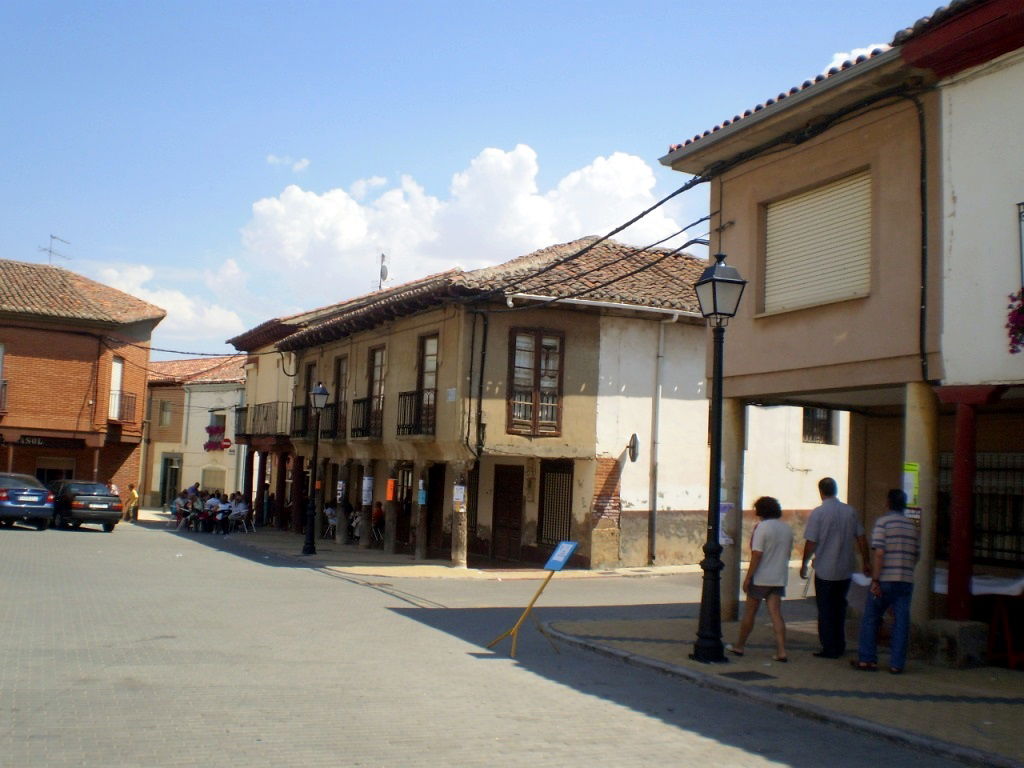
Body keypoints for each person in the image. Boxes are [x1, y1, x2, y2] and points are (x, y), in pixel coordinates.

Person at [800, 477, 871, 658]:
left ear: (821, 492)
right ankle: (840, 644)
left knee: (825, 610)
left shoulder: (818, 513)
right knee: (840, 608)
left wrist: (804, 563)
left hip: (825, 569)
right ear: (836, 490)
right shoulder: (850, 511)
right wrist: (866, 561)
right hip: (845, 569)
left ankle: (829, 647)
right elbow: (861, 538)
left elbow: (811, 542)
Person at [853, 489, 919, 674]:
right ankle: (896, 664)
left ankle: (867, 659)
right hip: (905, 581)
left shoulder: (883, 523)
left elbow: (880, 553)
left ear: (888, 503)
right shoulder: (912, 526)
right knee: (901, 621)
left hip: (885, 579)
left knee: (871, 617)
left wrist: (875, 579)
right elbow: (917, 555)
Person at [728, 496, 794, 662]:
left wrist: (748, 577)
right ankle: (782, 651)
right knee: (776, 614)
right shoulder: (786, 529)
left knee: (750, 613)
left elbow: (757, 554)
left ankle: (740, 646)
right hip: (778, 577)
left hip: (761, 577)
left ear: (760, 511)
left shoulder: (762, 528)